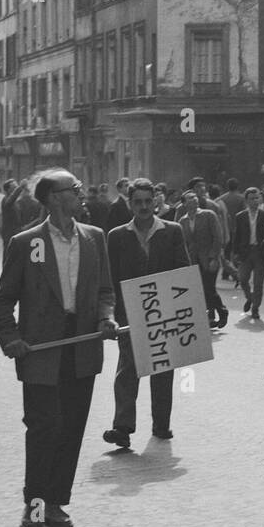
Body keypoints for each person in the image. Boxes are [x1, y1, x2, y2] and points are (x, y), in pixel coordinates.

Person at [0, 169, 116, 527]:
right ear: (52, 198)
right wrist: (11, 339)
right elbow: (3, 302)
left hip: (82, 348)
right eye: (74, 189)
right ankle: (34, 506)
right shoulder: (26, 243)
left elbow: (105, 292)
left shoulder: (94, 238)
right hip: (41, 350)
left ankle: (57, 503)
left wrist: (107, 318)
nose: (81, 194)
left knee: (72, 427)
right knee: (44, 426)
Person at [103, 177, 190, 451]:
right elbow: (110, 278)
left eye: (147, 201)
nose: (143, 207)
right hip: (129, 314)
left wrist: (185, 310)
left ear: (156, 202)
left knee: (163, 368)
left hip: (164, 311)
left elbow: (182, 271)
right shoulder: (117, 236)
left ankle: (161, 424)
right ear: (130, 204)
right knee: (128, 370)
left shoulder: (172, 231)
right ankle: (122, 428)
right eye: (137, 202)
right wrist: (111, 314)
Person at [179, 189, 228, 329]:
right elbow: (184, 242)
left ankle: (222, 311)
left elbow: (218, 237)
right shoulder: (183, 221)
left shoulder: (208, 215)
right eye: (189, 198)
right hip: (193, 260)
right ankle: (209, 316)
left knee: (209, 287)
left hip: (209, 258)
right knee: (200, 289)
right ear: (184, 203)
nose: (193, 199)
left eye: (194, 197)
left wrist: (214, 257)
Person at [232, 185, 264, 320]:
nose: (255, 201)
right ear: (246, 201)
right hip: (245, 252)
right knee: (242, 279)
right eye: (252, 198)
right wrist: (235, 253)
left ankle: (255, 308)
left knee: (258, 283)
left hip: (260, 252)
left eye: (257, 198)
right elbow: (237, 235)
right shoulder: (240, 216)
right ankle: (250, 297)